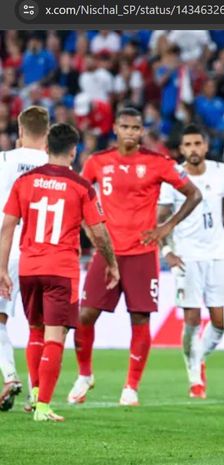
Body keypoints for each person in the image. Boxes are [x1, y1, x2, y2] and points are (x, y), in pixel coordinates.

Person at [67, 107, 202, 407]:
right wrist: (89, 230)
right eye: (125, 126)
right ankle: (84, 374)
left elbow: (194, 194)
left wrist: (166, 226)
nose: (130, 132)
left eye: (135, 128)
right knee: (85, 315)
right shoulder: (97, 162)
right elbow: (77, 195)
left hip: (142, 252)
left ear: (142, 131)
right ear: (115, 128)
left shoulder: (158, 163)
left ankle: (131, 387)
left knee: (139, 318)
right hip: (108, 252)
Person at [0, 123, 119, 421]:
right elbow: (100, 233)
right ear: (74, 150)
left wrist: (2, 268)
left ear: (46, 148)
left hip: (28, 268)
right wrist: (112, 263)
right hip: (61, 269)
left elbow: (7, 228)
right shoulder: (81, 186)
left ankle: (36, 393)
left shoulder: (24, 181)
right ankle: (42, 407)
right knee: (55, 335)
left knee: (35, 331)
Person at [158, 125, 224, 399]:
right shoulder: (173, 177)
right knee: (192, 318)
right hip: (187, 256)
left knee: (220, 322)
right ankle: (195, 378)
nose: (193, 149)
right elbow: (161, 218)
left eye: (197, 143)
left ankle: (197, 357)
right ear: (181, 150)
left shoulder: (222, 172)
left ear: (205, 146)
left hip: (217, 255)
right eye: (187, 145)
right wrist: (166, 250)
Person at [0, 106, 50, 412]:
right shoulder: (55, 165)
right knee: (40, 325)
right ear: (47, 133)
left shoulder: (4, 160)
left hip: (7, 249)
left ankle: (9, 375)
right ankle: (37, 394)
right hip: (42, 252)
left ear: (20, 131)